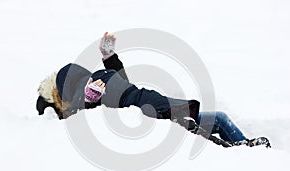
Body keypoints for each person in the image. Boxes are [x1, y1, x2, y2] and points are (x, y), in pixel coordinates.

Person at [36, 32, 271, 148]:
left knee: (218, 118)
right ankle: (241, 152)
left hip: (157, 101)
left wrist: (109, 56)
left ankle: (244, 144)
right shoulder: (84, 94)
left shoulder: (98, 77)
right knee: (199, 133)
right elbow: (81, 114)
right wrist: (87, 100)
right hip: (152, 112)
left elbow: (121, 81)